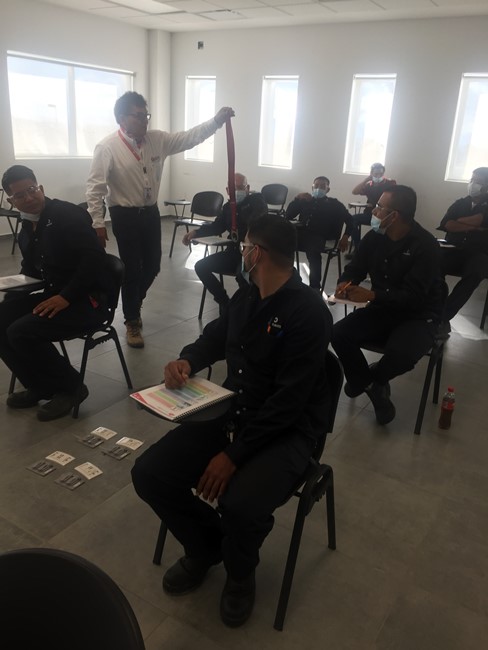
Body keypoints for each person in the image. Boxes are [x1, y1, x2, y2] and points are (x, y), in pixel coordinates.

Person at [132, 214, 333, 627]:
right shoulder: (246, 297)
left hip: (287, 431)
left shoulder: (308, 311)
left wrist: (233, 455)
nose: (240, 252)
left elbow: (288, 403)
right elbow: (215, 337)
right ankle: (207, 547)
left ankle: (240, 575)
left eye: (243, 246)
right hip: (234, 411)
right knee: (150, 472)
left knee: (239, 504)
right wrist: (187, 360)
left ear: (256, 253)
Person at [86, 91, 234, 348]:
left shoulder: (158, 139)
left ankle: (133, 301)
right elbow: (95, 188)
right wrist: (98, 224)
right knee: (132, 269)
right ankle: (132, 320)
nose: (144, 120)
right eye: (138, 116)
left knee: (153, 265)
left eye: (146, 115)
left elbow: (189, 138)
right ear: (121, 118)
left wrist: (216, 122)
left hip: (150, 212)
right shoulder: (107, 147)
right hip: (124, 215)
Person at [0, 165, 109, 421]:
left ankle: (72, 387)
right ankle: (39, 386)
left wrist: (66, 297)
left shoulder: (66, 215)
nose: (29, 198)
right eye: (20, 195)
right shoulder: (28, 225)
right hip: (55, 294)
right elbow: (31, 268)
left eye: (32, 190)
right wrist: (12, 294)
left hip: (86, 300)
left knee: (21, 331)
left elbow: (95, 260)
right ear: (11, 201)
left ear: (41, 188)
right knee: (2, 318)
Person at [332, 185, 443, 425]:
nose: (374, 211)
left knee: (402, 354)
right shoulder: (375, 237)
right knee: (338, 333)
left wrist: (372, 296)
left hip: (418, 315)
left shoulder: (426, 246)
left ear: (395, 215)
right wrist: (345, 283)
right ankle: (370, 385)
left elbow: (414, 297)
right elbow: (355, 268)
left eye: (380, 207)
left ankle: (373, 378)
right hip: (382, 309)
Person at [183, 173, 267, 311]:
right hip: (233, 252)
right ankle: (225, 303)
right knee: (201, 266)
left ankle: (248, 310)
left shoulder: (256, 202)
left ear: (247, 188)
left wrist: (239, 208)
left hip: (250, 254)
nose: (236, 191)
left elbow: (257, 219)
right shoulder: (228, 207)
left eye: (240, 187)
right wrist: (196, 233)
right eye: (233, 189)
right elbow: (217, 226)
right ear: (227, 190)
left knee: (243, 276)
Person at [437, 167, 488, 332]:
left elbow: (480, 219)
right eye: (472, 180)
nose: (473, 184)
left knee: (475, 274)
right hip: (454, 249)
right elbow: (447, 224)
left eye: (478, 182)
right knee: (433, 265)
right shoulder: (461, 203)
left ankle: (444, 316)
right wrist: (475, 228)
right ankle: (435, 308)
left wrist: (459, 222)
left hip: (479, 253)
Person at [285, 176, 352, 290]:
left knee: (313, 251)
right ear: (312, 187)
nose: (318, 188)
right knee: (282, 244)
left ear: (327, 189)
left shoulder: (334, 204)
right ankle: (289, 279)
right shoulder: (305, 200)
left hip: (320, 236)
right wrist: (297, 198)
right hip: (301, 233)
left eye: (322, 186)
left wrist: (345, 236)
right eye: (316, 186)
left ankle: (315, 286)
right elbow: (289, 215)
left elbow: (350, 220)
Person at [349, 163, 397, 251]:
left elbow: (394, 198)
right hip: (370, 214)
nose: (378, 176)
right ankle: (358, 247)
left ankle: (378, 250)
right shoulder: (369, 185)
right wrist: (366, 179)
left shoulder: (390, 183)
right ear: (371, 174)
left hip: (383, 215)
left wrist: (377, 205)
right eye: (376, 174)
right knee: (352, 219)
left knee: (383, 228)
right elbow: (354, 191)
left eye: (381, 174)